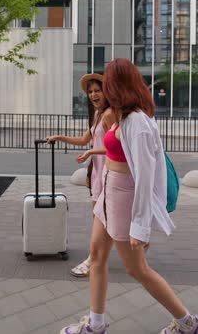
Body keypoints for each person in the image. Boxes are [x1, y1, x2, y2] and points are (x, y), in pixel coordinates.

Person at [60, 58, 198, 334]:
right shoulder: (121, 114)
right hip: (110, 193)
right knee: (97, 256)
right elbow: (113, 151)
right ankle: (96, 324)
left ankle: (188, 323)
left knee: (138, 270)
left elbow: (146, 178)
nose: (104, 89)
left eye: (108, 82)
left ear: (119, 84)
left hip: (125, 197)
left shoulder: (138, 122)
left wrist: (141, 226)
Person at [47, 73, 113, 277]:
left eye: (97, 90)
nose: (93, 94)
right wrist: (59, 137)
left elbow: (120, 148)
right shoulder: (97, 115)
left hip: (109, 172)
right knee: (101, 217)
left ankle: (93, 259)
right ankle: (133, 241)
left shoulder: (111, 114)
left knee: (101, 218)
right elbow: (85, 140)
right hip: (97, 173)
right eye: (90, 91)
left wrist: (93, 152)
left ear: (106, 91)